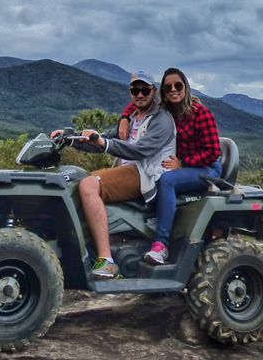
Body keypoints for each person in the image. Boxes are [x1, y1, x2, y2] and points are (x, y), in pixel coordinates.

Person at [52, 71, 176, 279]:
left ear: (153, 91)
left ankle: (106, 260)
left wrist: (104, 142)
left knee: (89, 185)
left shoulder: (162, 120)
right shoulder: (133, 118)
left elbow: (140, 151)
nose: (140, 94)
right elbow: (103, 141)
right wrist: (71, 138)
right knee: (76, 181)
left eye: (145, 90)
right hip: (129, 170)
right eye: (135, 90)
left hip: (147, 173)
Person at [119, 67, 222, 264]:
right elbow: (141, 103)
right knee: (149, 175)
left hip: (207, 167)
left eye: (178, 86)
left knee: (167, 181)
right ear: (163, 92)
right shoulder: (167, 111)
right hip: (179, 164)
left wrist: (184, 163)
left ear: (186, 87)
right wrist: (125, 118)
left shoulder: (201, 114)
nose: (173, 90)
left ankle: (161, 245)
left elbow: (213, 152)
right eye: (168, 87)